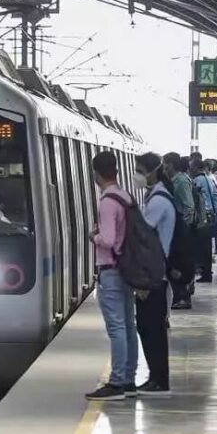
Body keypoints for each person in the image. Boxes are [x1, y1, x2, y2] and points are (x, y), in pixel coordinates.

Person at [86, 151, 137, 401]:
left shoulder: (107, 201)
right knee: (128, 324)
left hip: (111, 270)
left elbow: (106, 240)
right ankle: (128, 379)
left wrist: (92, 236)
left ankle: (116, 382)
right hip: (126, 268)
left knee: (116, 327)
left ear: (96, 174)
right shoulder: (125, 195)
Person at [133, 152, 175, 396]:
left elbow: (146, 237)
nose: (137, 175)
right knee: (150, 327)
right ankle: (157, 377)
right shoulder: (158, 196)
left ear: (152, 171)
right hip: (158, 271)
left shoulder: (158, 200)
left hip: (154, 273)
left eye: (139, 169)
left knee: (151, 328)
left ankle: (159, 379)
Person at [164, 152, 195, 310]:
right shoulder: (175, 180)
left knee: (179, 263)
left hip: (181, 229)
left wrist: (182, 227)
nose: (164, 168)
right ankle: (180, 296)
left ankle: (183, 297)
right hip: (179, 228)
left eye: (166, 164)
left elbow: (189, 206)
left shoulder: (180, 181)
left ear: (172, 165)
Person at [191, 158, 217, 283]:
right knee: (207, 246)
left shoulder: (196, 181)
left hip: (202, 217)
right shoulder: (209, 179)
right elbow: (216, 196)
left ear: (197, 168)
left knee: (202, 247)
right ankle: (208, 272)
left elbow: (194, 200)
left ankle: (205, 273)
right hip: (211, 215)